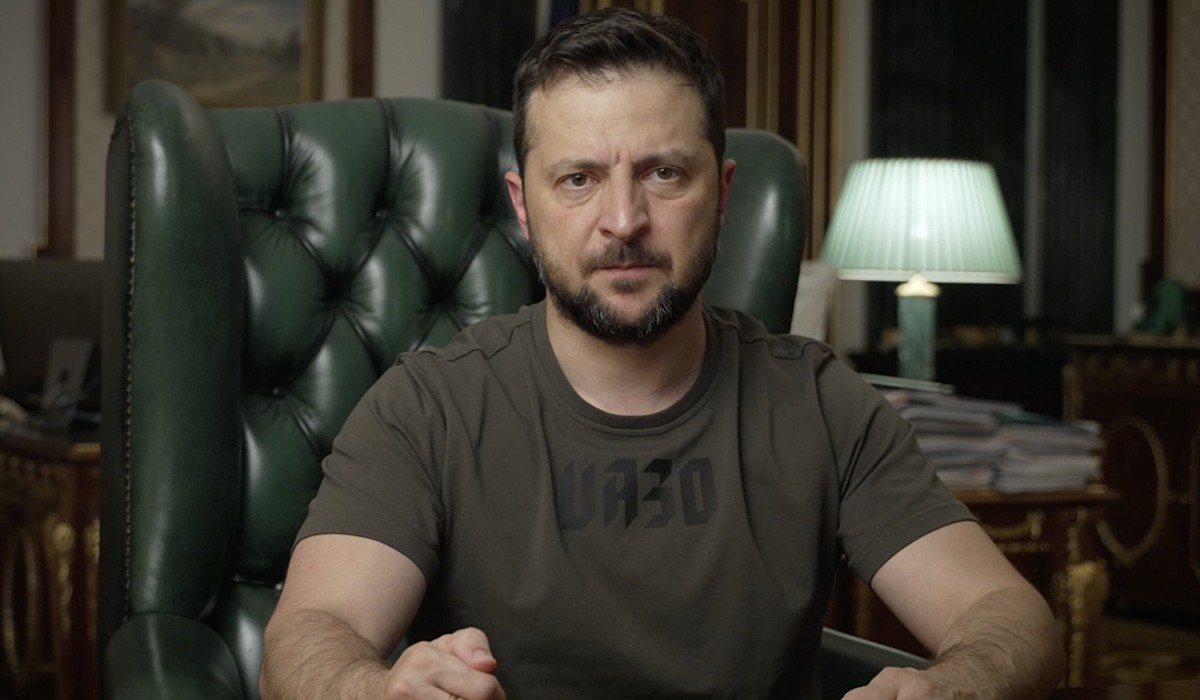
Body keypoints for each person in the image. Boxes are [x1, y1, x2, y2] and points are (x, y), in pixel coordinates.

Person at [260, 7, 1065, 699]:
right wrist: (372, 688)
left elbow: (1009, 617)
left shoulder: (819, 402)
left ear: (723, 191)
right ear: (523, 205)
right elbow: (309, 635)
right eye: (578, 179)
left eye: (665, 173)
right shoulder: (427, 408)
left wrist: (955, 684)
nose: (624, 220)